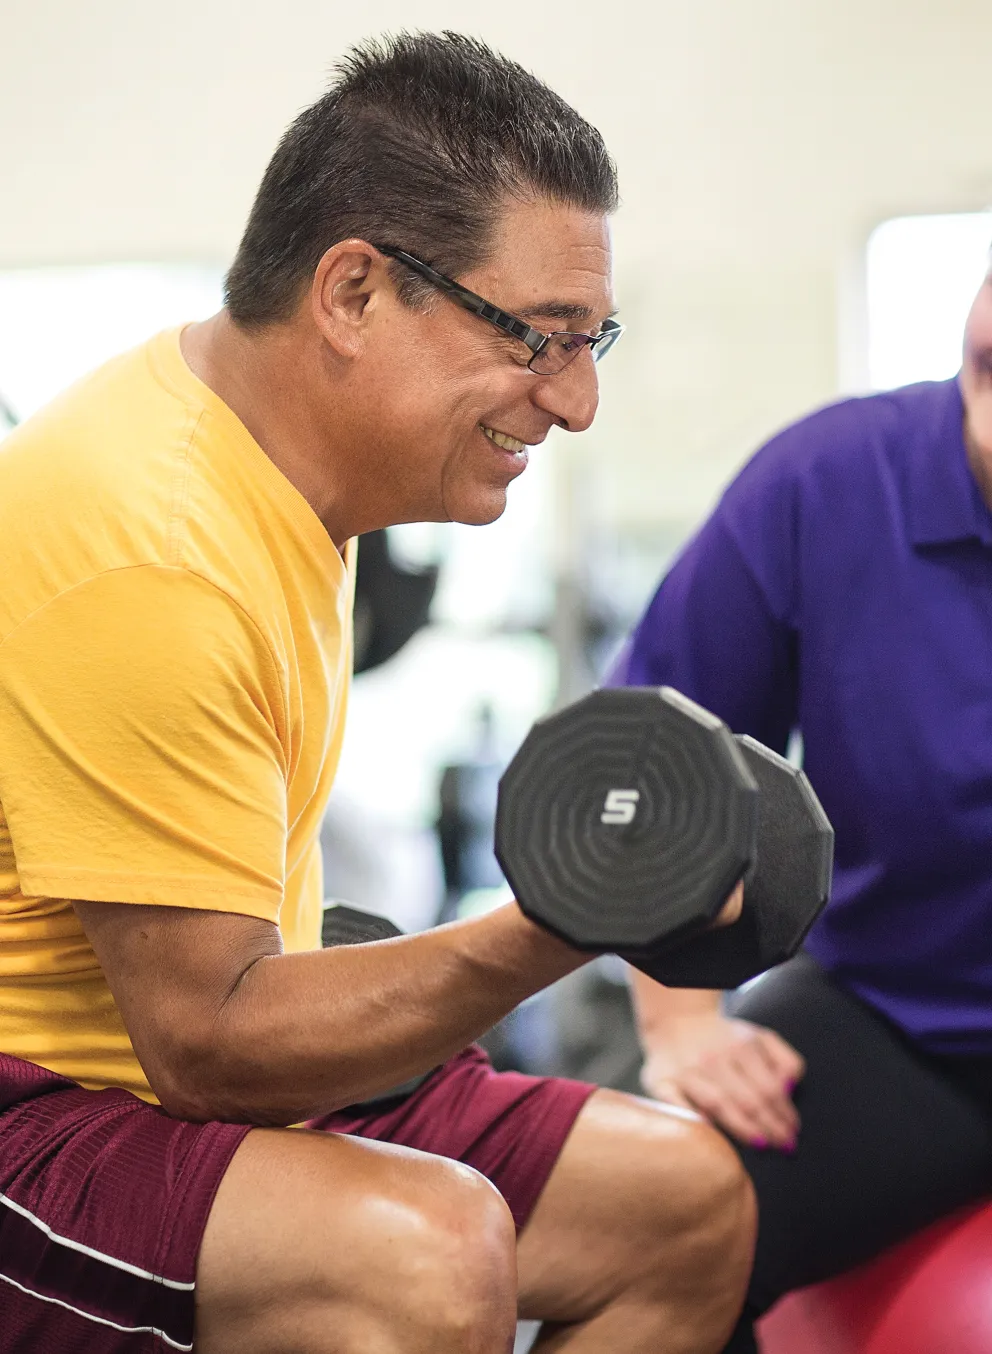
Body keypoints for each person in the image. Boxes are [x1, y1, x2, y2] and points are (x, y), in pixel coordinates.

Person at [0, 33, 756, 1354]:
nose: (576, 401)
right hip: (50, 1105)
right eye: (539, 338)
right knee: (424, 1254)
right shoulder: (154, 545)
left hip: (185, 1072)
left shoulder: (295, 477)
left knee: (680, 1203)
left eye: (593, 341)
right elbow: (207, 1042)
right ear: (352, 292)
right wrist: (562, 925)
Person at [613, 265, 992, 1352]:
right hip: (902, 1023)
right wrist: (679, 1021)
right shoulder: (828, 484)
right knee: (630, 1221)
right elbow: (655, 757)